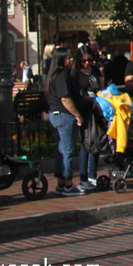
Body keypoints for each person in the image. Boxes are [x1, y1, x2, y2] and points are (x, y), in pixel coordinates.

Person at [45, 47, 86, 196]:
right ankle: (68, 183)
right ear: (61, 59)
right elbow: (65, 98)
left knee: (61, 150)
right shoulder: (61, 75)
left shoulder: (53, 75)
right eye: (68, 58)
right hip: (63, 115)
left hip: (56, 114)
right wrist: (77, 115)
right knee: (68, 150)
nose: (71, 60)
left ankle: (61, 183)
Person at [74, 52, 101, 190]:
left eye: (89, 60)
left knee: (95, 140)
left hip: (95, 109)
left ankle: (92, 174)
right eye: (84, 61)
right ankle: (83, 176)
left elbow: (101, 86)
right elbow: (76, 92)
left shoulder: (95, 71)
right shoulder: (77, 73)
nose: (87, 63)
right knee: (85, 143)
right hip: (84, 109)